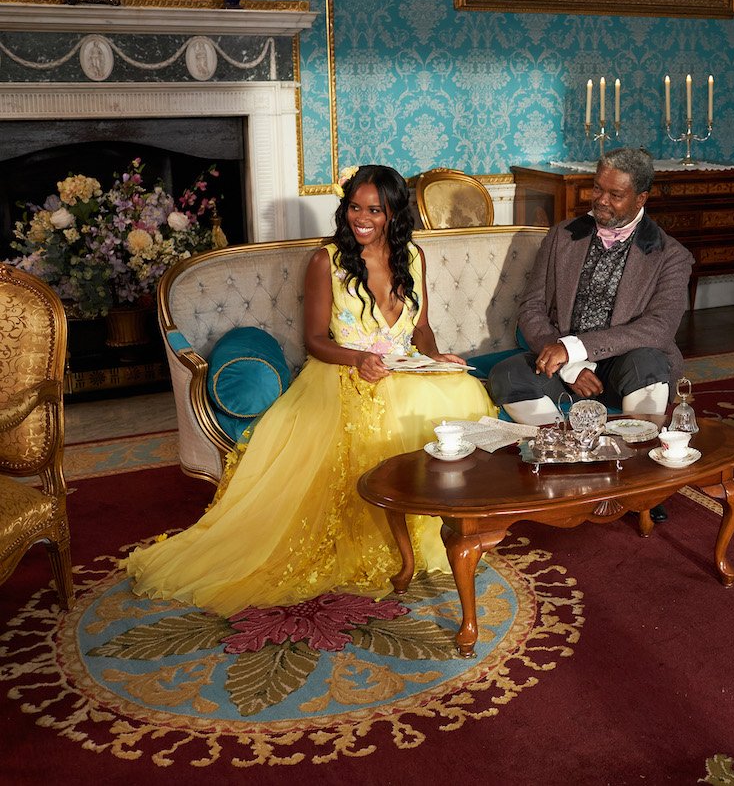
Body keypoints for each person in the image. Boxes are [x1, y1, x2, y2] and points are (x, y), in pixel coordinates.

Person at [127, 165, 496, 614]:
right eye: (355, 208)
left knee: (462, 393)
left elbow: (421, 327)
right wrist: (359, 359)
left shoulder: (413, 257)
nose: (362, 218)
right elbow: (315, 341)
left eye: (374, 210)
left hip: (403, 370)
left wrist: (434, 357)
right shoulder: (328, 262)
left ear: (394, 213)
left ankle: (434, 533)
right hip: (342, 372)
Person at [487, 147, 693, 518]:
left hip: (624, 371)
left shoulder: (671, 255)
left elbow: (659, 328)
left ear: (641, 198)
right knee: (508, 374)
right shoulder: (562, 236)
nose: (601, 200)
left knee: (648, 361)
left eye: (615, 194)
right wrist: (568, 366)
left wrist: (576, 348)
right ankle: (570, 466)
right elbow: (531, 309)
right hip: (566, 370)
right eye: (597, 188)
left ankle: (642, 483)